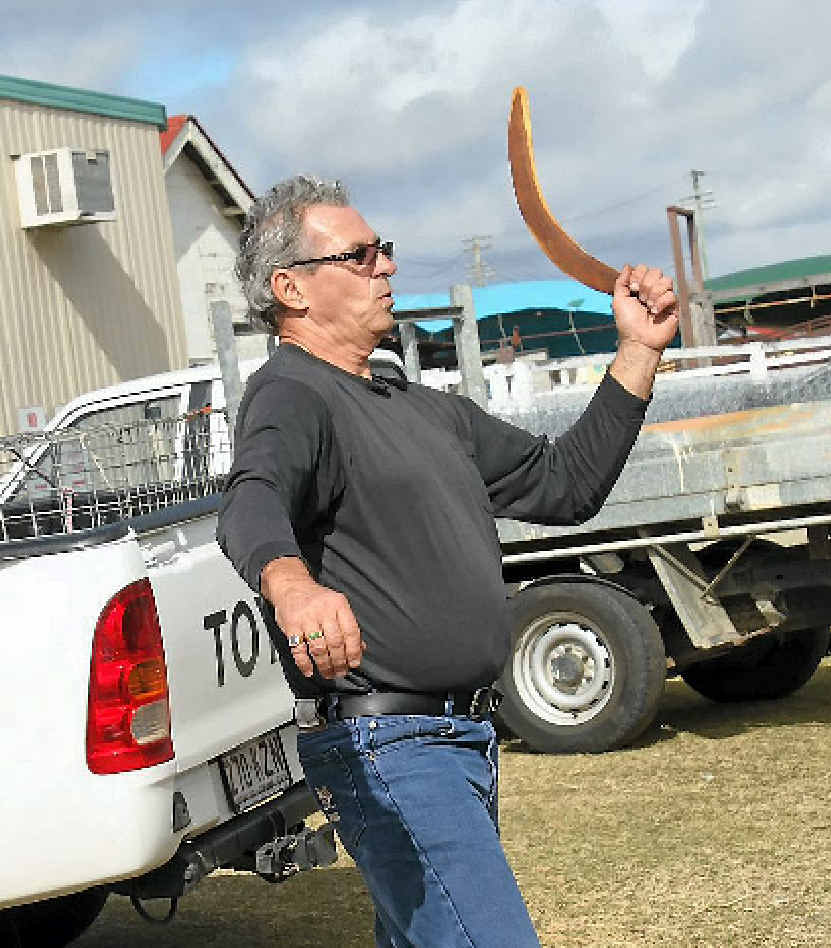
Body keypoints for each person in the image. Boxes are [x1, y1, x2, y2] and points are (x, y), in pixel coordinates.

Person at [216, 175, 679, 947]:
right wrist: (290, 585)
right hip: (390, 747)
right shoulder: (292, 394)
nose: (385, 267)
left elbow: (564, 487)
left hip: (461, 740)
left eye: (383, 251)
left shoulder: (420, 406)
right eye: (358, 255)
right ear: (289, 287)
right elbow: (251, 497)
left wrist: (635, 351)